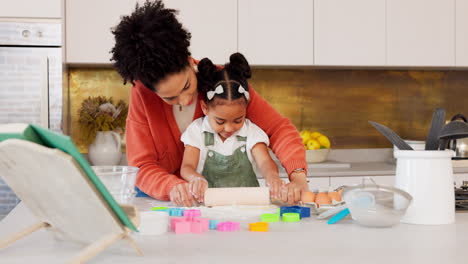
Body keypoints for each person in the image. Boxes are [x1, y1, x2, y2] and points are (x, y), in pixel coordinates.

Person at [110, 0, 309, 206]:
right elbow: (142, 165)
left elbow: (279, 129)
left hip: (219, 202)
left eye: (187, 86)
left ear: (189, 62)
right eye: (170, 98)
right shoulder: (142, 95)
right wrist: (173, 187)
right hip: (167, 202)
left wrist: (298, 176)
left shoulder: (224, 82)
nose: (186, 100)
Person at [180, 53, 286, 203]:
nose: (229, 128)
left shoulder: (251, 132)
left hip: (248, 207)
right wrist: (195, 178)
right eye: (220, 121)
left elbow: (265, 162)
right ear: (205, 108)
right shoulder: (197, 131)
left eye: (238, 120)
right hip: (209, 207)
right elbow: (187, 167)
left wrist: (273, 177)